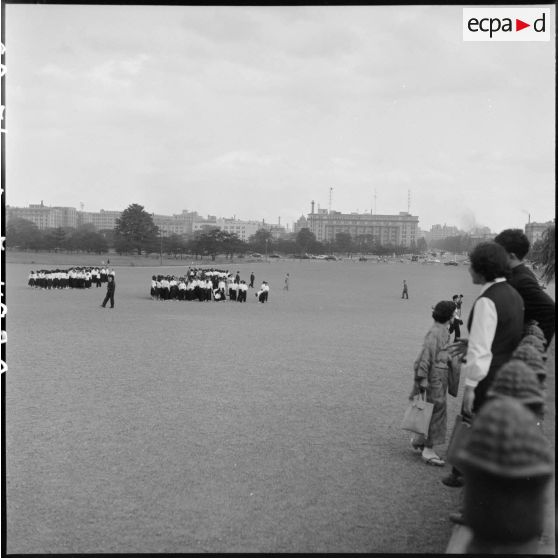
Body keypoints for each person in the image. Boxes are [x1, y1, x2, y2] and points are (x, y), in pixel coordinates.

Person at [444, 241, 524, 493]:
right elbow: (503, 334)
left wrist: (470, 387)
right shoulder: (512, 294)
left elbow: (481, 350)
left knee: (477, 434)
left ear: (481, 269)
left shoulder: (486, 301)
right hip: (506, 373)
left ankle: (473, 501)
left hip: (488, 377)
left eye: (472, 266)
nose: (469, 271)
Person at [409, 300, 460, 467]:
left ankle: (421, 440)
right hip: (435, 376)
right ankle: (428, 449)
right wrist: (422, 378)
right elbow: (426, 355)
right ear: (450, 316)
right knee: (437, 410)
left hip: (438, 374)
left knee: (432, 408)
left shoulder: (441, 330)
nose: (455, 316)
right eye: (454, 313)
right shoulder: (437, 332)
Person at [494, 229, 555, 347]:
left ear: (511, 256)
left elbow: (551, 311)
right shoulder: (521, 274)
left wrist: (537, 347)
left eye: (498, 253)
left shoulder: (522, 280)